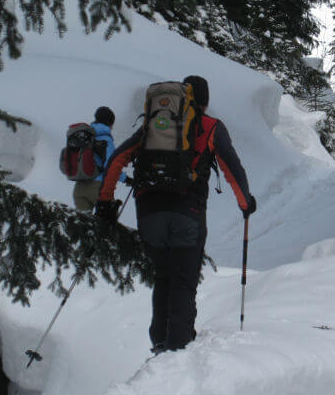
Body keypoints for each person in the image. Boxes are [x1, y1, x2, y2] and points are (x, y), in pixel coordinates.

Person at [96, 75, 256, 353]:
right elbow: (233, 169)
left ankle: (160, 341)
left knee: (163, 276)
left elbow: (116, 159)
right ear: (204, 101)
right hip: (187, 212)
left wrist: (106, 202)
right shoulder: (210, 127)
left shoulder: (154, 124)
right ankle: (177, 348)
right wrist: (245, 203)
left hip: (148, 211)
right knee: (183, 280)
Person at [72, 106, 118, 211]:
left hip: (79, 187)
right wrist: (127, 179)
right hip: (97, 189)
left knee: (83, 225)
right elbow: (111, 166)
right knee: (106, 223)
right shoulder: (106, 140)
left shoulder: (84, 136)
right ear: (110, 123)